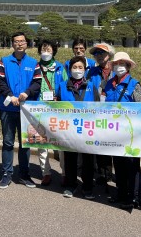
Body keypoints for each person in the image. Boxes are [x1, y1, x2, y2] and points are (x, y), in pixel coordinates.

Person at [0, 32, 42, 189]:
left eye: (22, 41)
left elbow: (37, 82)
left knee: (25, 143)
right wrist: (10, 95)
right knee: (8, 142)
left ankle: (24, 174)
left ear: (27, 43)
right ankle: (6, 173)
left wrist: (27, 93)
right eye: (16, 41)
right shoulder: (4, 61)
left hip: (26, 109)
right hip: (8, 108)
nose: (19, 44)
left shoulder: (34, 63)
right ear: (12, 44)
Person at [56, 55, 99, 199]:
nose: (77, 70)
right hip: (69, 128)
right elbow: (56, 106)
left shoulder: (91, 86)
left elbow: (98, 107)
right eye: (74, 67)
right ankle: (71, 185)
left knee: (88, 159)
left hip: (87, 128)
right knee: (70, 158)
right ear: (69, 69)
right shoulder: (62, 86)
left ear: (85, 70)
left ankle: (88, 187)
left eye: (80, 67)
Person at [104, 51, 141, 210]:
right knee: (118, 164)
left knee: (131, 166)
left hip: (131, 133)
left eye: (122, 64)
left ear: (128, 66)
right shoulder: (109, 84)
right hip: (114, 132)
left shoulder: (134, 84)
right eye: (116, 64)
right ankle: (121, 193)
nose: (119, 67)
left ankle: (133, 197)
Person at [36, 39, 67, 186]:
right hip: (39, 109)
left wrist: (59, 97)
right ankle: (46, 172)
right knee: (42, 142)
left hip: (56, 109)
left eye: (48, 50)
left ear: (54, 51)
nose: (46, 52)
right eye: (43, 50)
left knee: (60, 143)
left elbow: (66, 86)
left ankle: (65, 173)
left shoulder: (60, 67)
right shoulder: (35, 67)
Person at [87, 42, 116, 188]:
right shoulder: (92, 72)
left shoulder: (116, 69)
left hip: (114, 112)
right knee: (99, 142)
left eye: (102, 53)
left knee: (114, 142)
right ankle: (103, 173)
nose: (99, 56)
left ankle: (114, 172)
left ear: (109, 54)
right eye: (96, 54)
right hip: (96, 111)